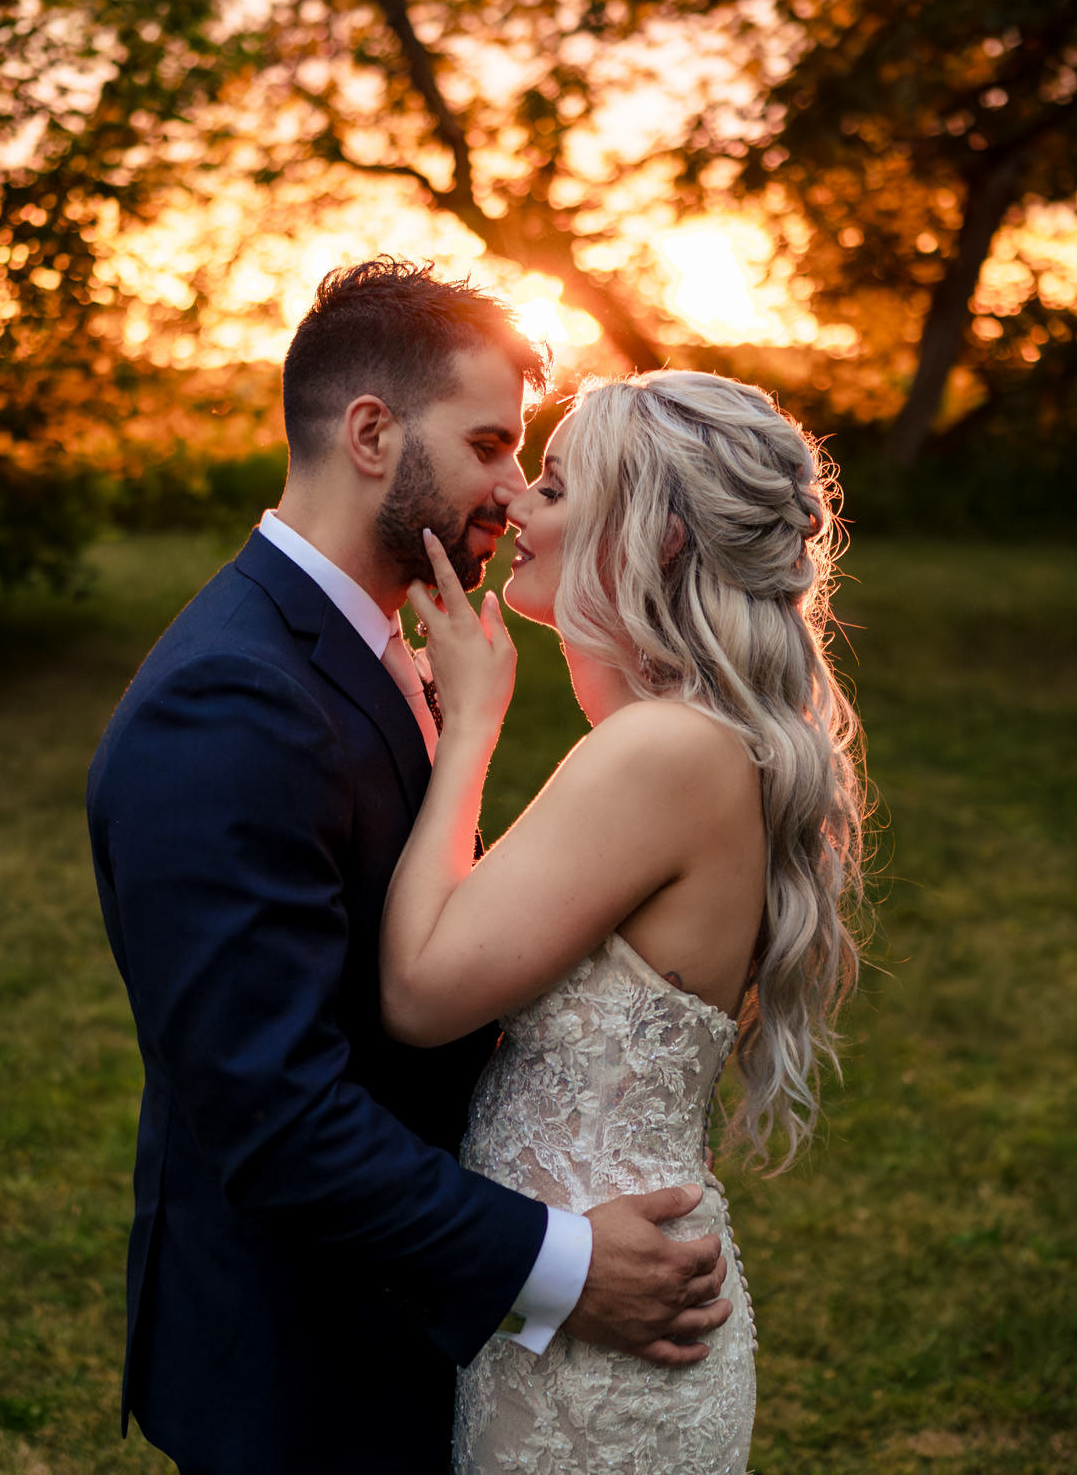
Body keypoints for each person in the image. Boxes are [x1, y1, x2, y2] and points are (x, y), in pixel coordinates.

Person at [84, 261, 733, 1475]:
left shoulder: (386, 640)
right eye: (490, 444)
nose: (514, 492)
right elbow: (272, 1118)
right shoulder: (230, 703)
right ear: (371, 433)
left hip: (413, 1326)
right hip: (304, 1364)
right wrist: (562, 1267)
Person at [381, 369, 869, 1474]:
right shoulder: (680, 741)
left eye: (554, 485)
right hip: (580, 1317)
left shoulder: (660, 753)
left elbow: (418, 993)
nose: (518, 508)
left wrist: (469, 731)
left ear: (652, 537)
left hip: (600, 1364)